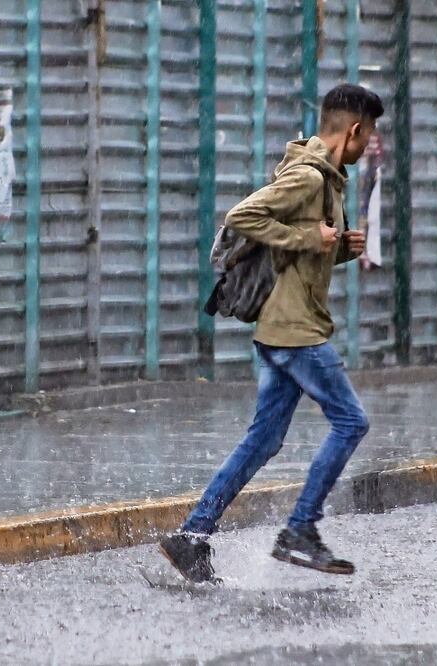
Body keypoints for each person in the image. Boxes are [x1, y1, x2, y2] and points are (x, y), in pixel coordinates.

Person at [160, 84, 384, 580]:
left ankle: (192, 535)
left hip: (281, 328)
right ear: (353, 130)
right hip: (296, 330)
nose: (369, 145)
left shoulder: (325, 178)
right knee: (351, 422)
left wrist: (339, 246)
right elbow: (242, 216)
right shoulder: (308, 177)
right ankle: (300, 528)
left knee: (263, 441)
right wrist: (310, 235)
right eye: (367, 136)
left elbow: (299, 253)